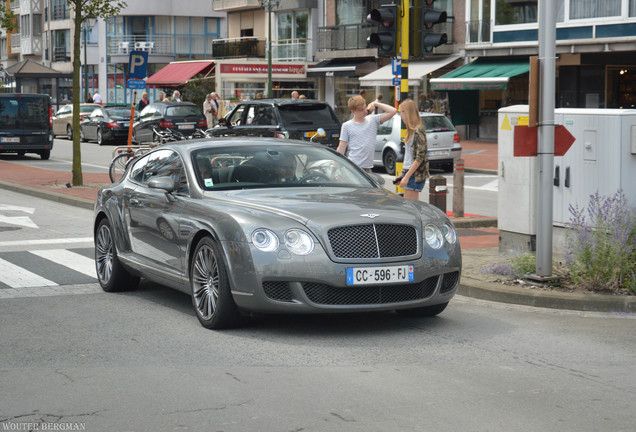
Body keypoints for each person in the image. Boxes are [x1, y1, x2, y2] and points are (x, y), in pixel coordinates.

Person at [336, 95, 397, 173]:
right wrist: (334, 170)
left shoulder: (373, 120)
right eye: (361, 110)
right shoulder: (347, 126)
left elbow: (393, 111)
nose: (365, 111)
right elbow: (341, 147)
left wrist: (376, 103)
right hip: (353, 167)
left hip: (368, 169)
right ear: (353, 111)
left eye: (365, 107)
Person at [394, 99, 429, 200]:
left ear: (407, 113)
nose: (400, 115)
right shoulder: (409, 130)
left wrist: (407, 176)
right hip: (409, 172)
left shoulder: (419, 130)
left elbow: (420, 157)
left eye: (401, 112)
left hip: (414, 174)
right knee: (409, 207)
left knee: (412, 208)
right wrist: (401, 175)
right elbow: (408, 157)